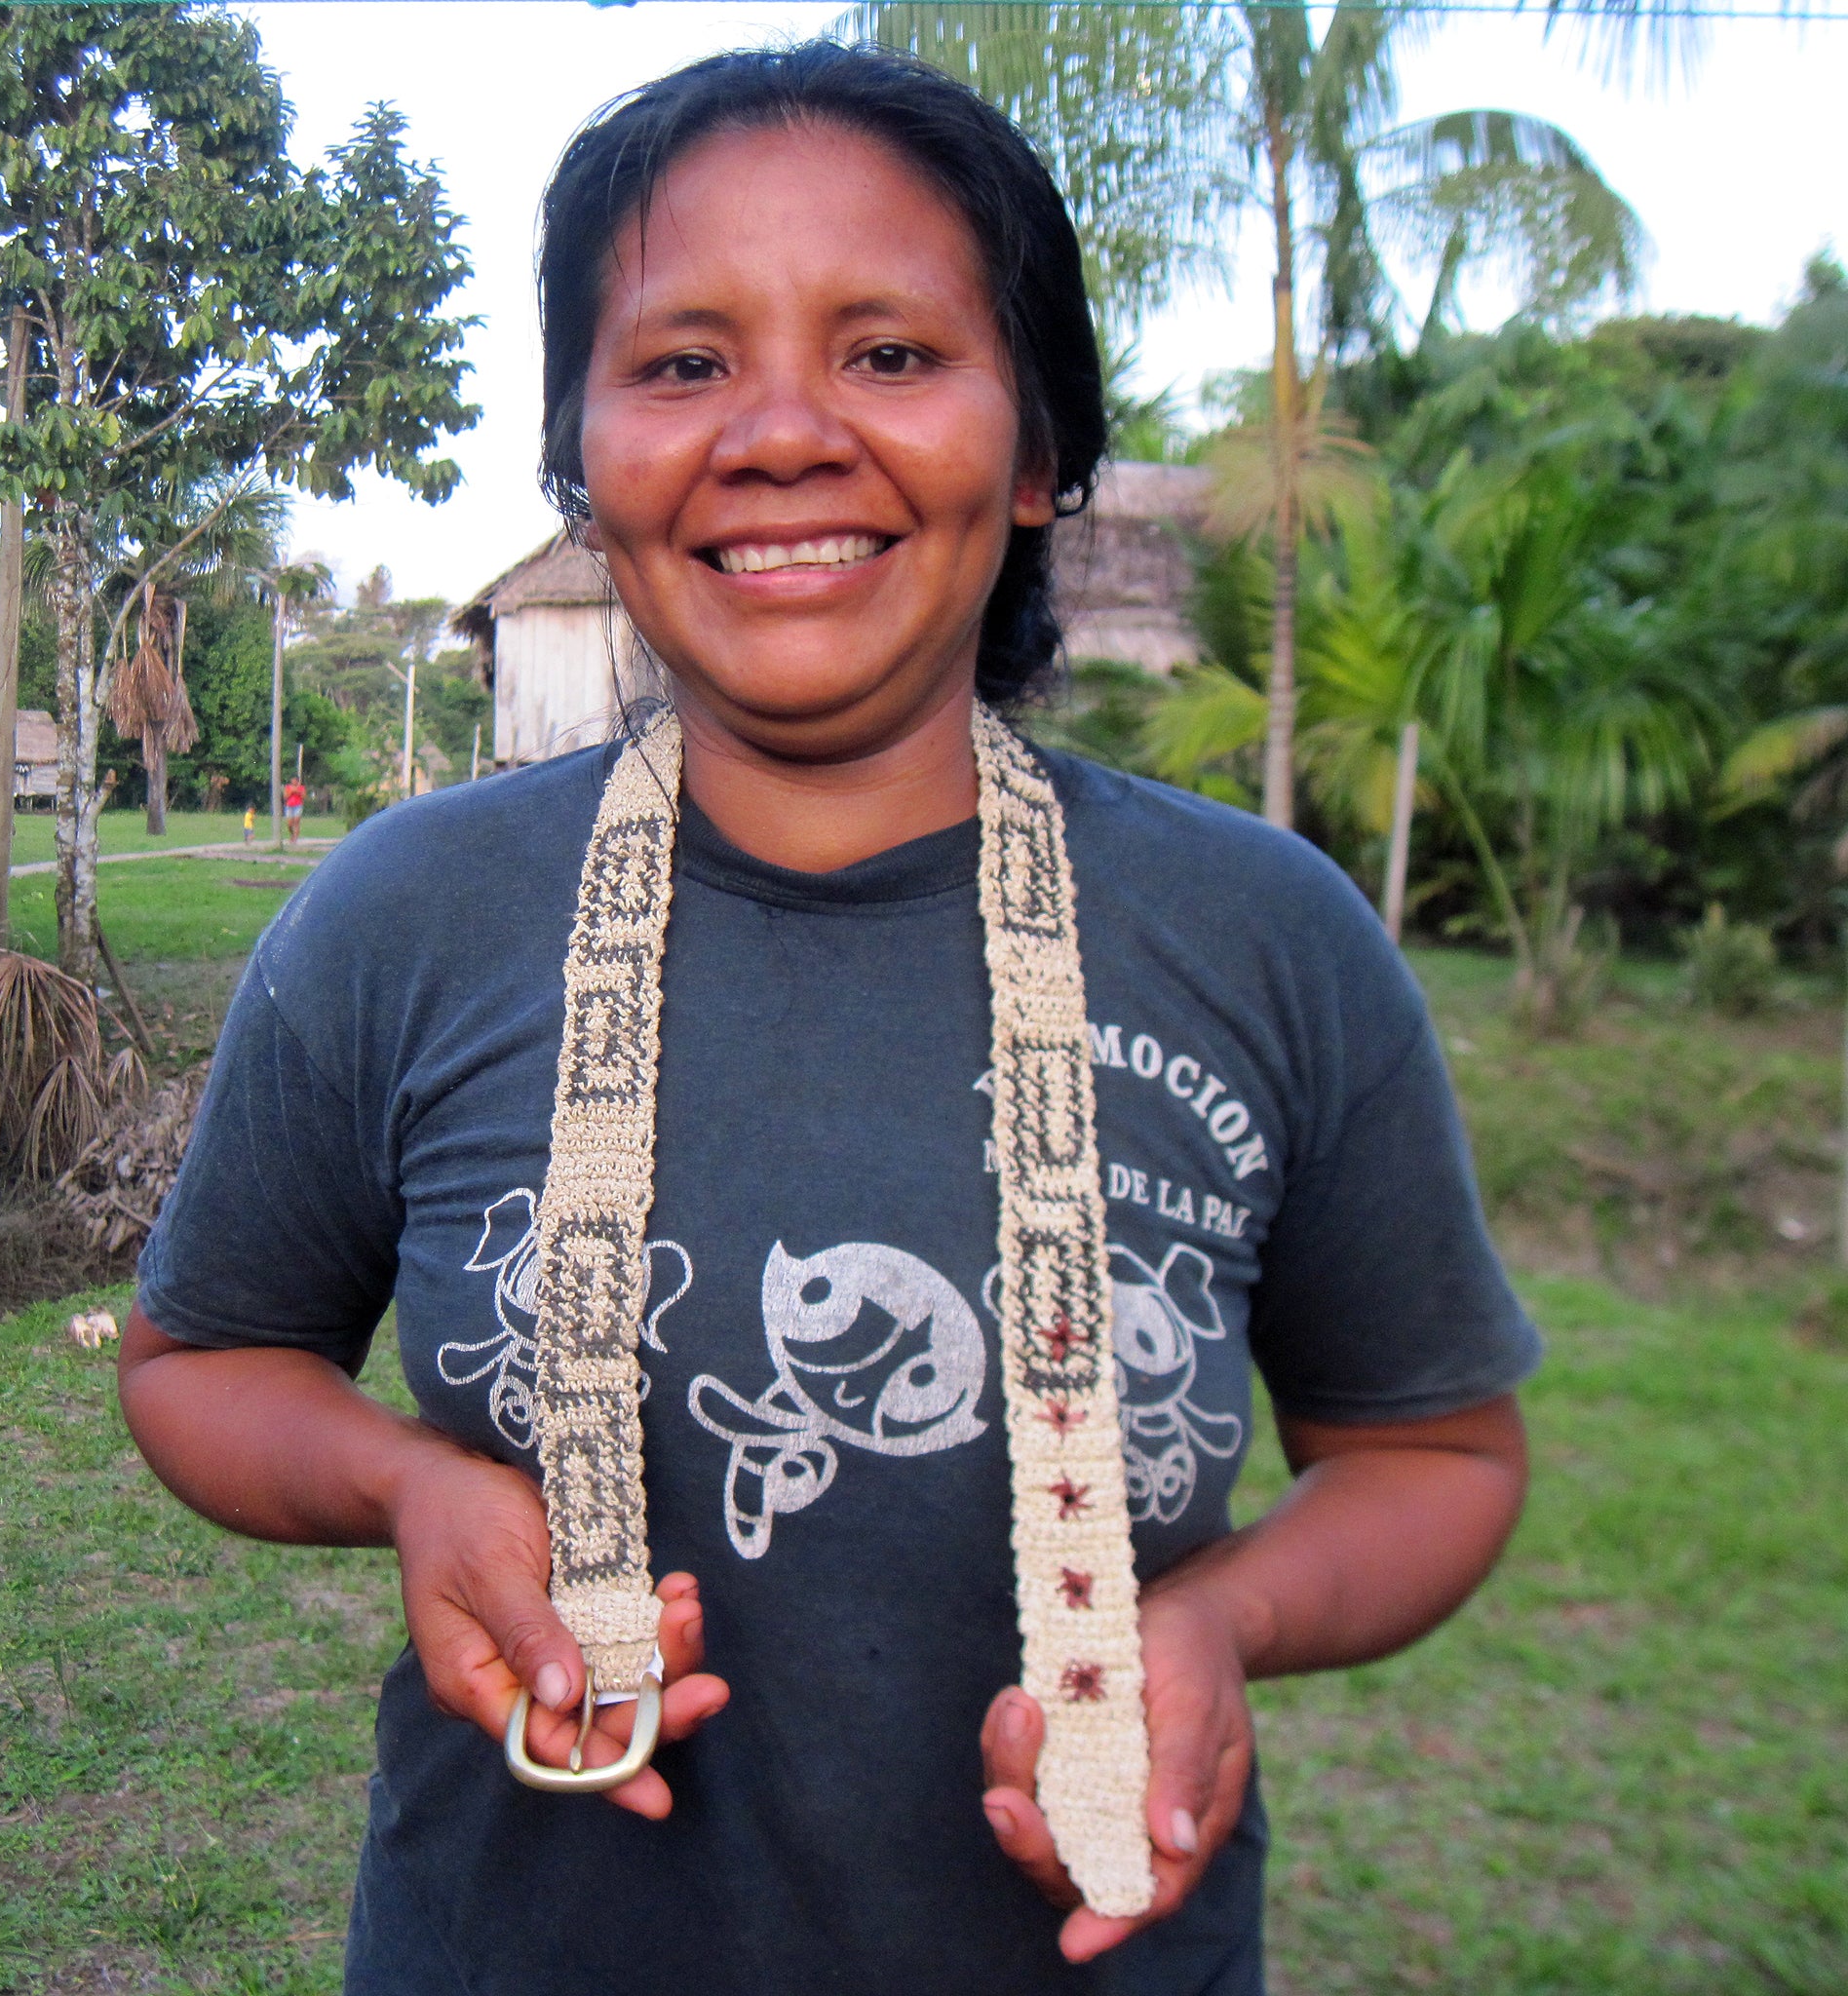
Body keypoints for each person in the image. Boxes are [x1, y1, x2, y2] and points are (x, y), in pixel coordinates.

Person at [121, 43, 1536, 1996]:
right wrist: (408, 1481)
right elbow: (195, 1360)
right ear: (582, 457)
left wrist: (1220, 1618)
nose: (781, 431)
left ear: (1036, 450)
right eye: (682, 361)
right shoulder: (407, 917)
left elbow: (1438, 1452)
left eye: (888, 352)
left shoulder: (1264, 937)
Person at [282, 777, 305, 844]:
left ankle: (295, 838)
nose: (294, 781)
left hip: (298, 806)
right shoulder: (288, 787)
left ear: (297, 781)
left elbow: (303, 796)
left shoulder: (301, 787)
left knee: (296, 822)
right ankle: (292, 834)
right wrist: (291, 792)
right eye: (292, 780)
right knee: (289, 823)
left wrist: (298, 792)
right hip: (289, 806)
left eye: (295, 780)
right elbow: (285, 797)